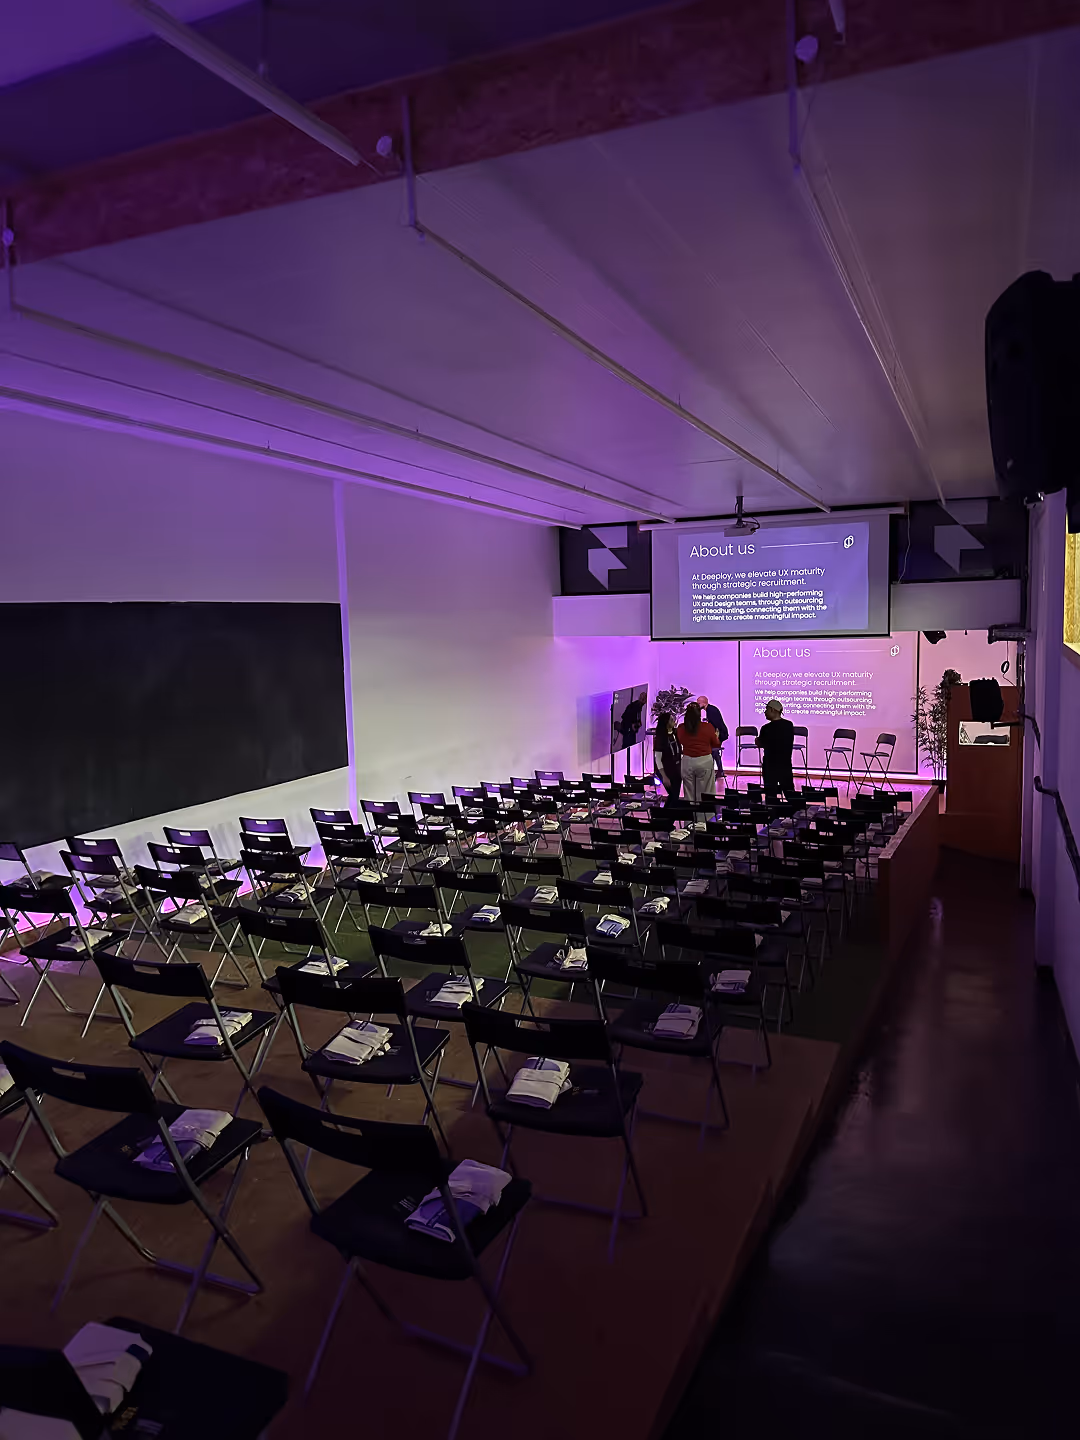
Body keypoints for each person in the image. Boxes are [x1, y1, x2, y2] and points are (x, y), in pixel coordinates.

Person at [676, 702, 720, 804]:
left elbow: (681, 741)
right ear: (699, 714)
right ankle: (704, 814)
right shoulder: (708, 727)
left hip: (687, 761)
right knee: (706, 794)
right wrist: (716, 736)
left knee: (689, 794)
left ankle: (690, 814)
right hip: (704, 761)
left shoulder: (681, 728)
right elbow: (716, 744)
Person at [758, 698, 797, 801]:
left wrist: (758, 741)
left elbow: (761, 743)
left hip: (769, 766)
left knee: (770, 796)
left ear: (772, 710)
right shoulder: (789, 725)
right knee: (790, 793)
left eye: (766, 709)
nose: (765, 712)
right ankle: (796, 810)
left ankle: (772, 811)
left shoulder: (766, 728)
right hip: (785, 764)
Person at [697, 694, 729, 783]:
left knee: (713, 752)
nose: (697, 705)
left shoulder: (710, 711)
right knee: (715, 753)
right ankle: (720, 771)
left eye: (698, 703)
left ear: (704, 703)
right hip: (720, 733)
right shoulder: (710, 709)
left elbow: (715, 725)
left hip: (720, 734)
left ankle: (713, 772)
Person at [652, 713, 682, 800]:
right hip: (666, 770)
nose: (674, 721)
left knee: (675, 796)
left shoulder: (675, 734)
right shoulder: (661, 738)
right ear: (666, 722)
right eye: (671, 720)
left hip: (676, 768)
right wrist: (664, 776)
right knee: (673, 796)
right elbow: (658, 759)